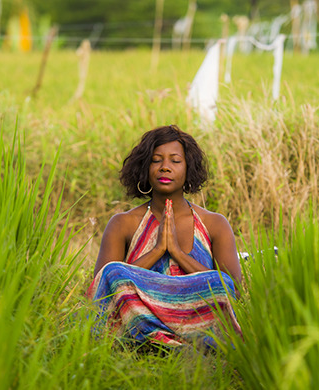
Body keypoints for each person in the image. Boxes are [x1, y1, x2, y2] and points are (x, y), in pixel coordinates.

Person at [87, 125, 242, 348]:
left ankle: (179, 342)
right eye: (156, 160)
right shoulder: (123, 224)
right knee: (111, 272)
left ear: (188, 169)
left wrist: (178, 253)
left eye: (175, 161)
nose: (165, 168)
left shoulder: (214, 224)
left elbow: (232, 290)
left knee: (222, 281)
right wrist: (158, 250)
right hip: (138, 319)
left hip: (195, 320)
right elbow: (102, 290)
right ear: (144, 167)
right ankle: (155, 340)